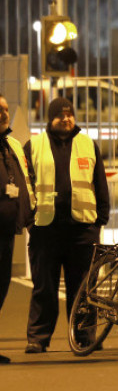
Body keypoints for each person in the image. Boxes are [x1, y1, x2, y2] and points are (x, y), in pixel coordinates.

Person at [23, 97, 110, 353]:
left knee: (83, 288)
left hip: (82, 229)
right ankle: (38, 338)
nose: (66, 119)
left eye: (69, 114)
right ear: (50, 119)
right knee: (44, 288)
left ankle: (85, 335)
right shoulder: (34, 145)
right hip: (45, 229)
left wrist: (100, 221)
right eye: (60, 115)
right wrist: (29, 220)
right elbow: (26, 185)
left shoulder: (87, 144)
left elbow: (100, 183)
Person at [0, 94, 33, 363]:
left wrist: (29, 216)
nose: (3, 114)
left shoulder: (12, 144)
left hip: (7, 230)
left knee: (1, 286)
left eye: (6, 109)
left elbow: (24, 184)